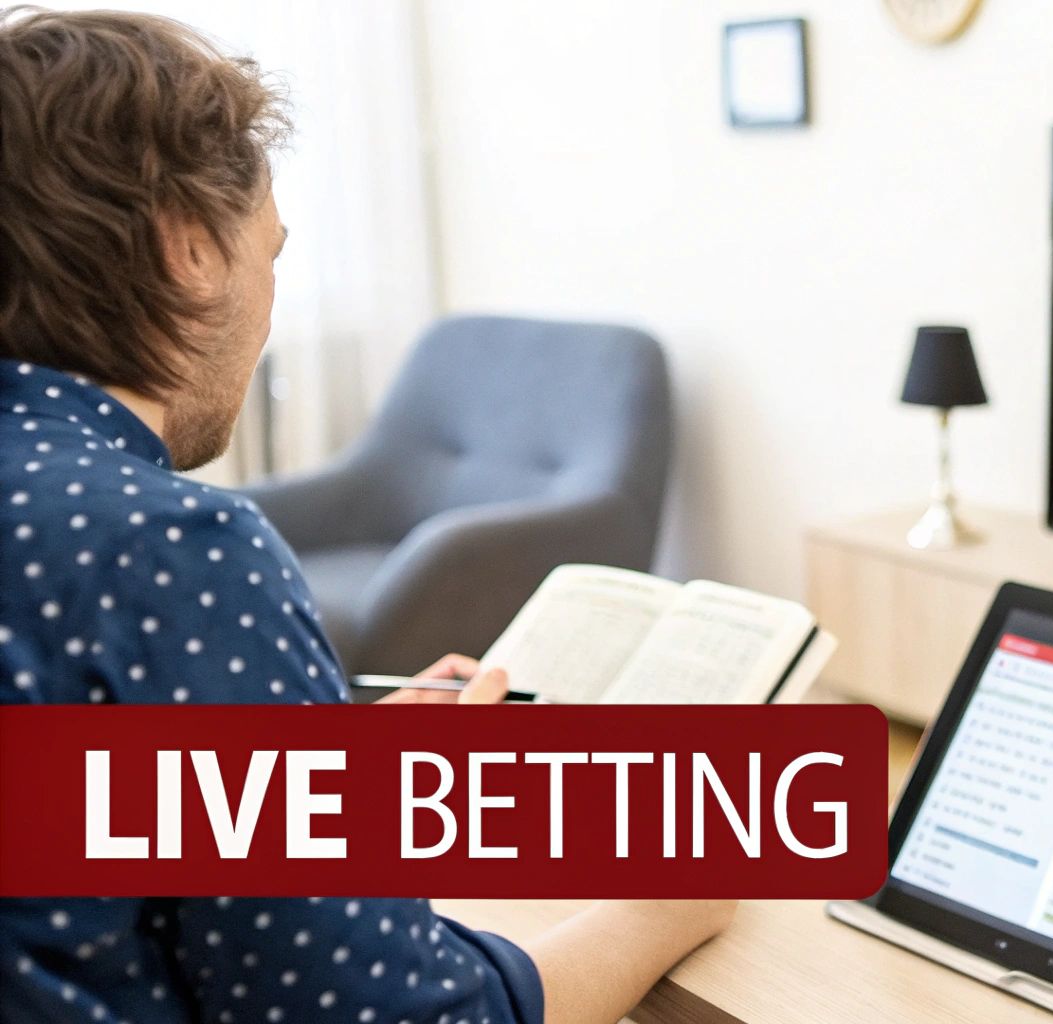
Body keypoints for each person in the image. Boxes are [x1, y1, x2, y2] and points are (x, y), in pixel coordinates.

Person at [0, 9, 731, 1024]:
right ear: (189, 249)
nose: (267, 301)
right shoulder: (162, 548)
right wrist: (662, 905)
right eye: (273, 251)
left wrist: (322, 773)